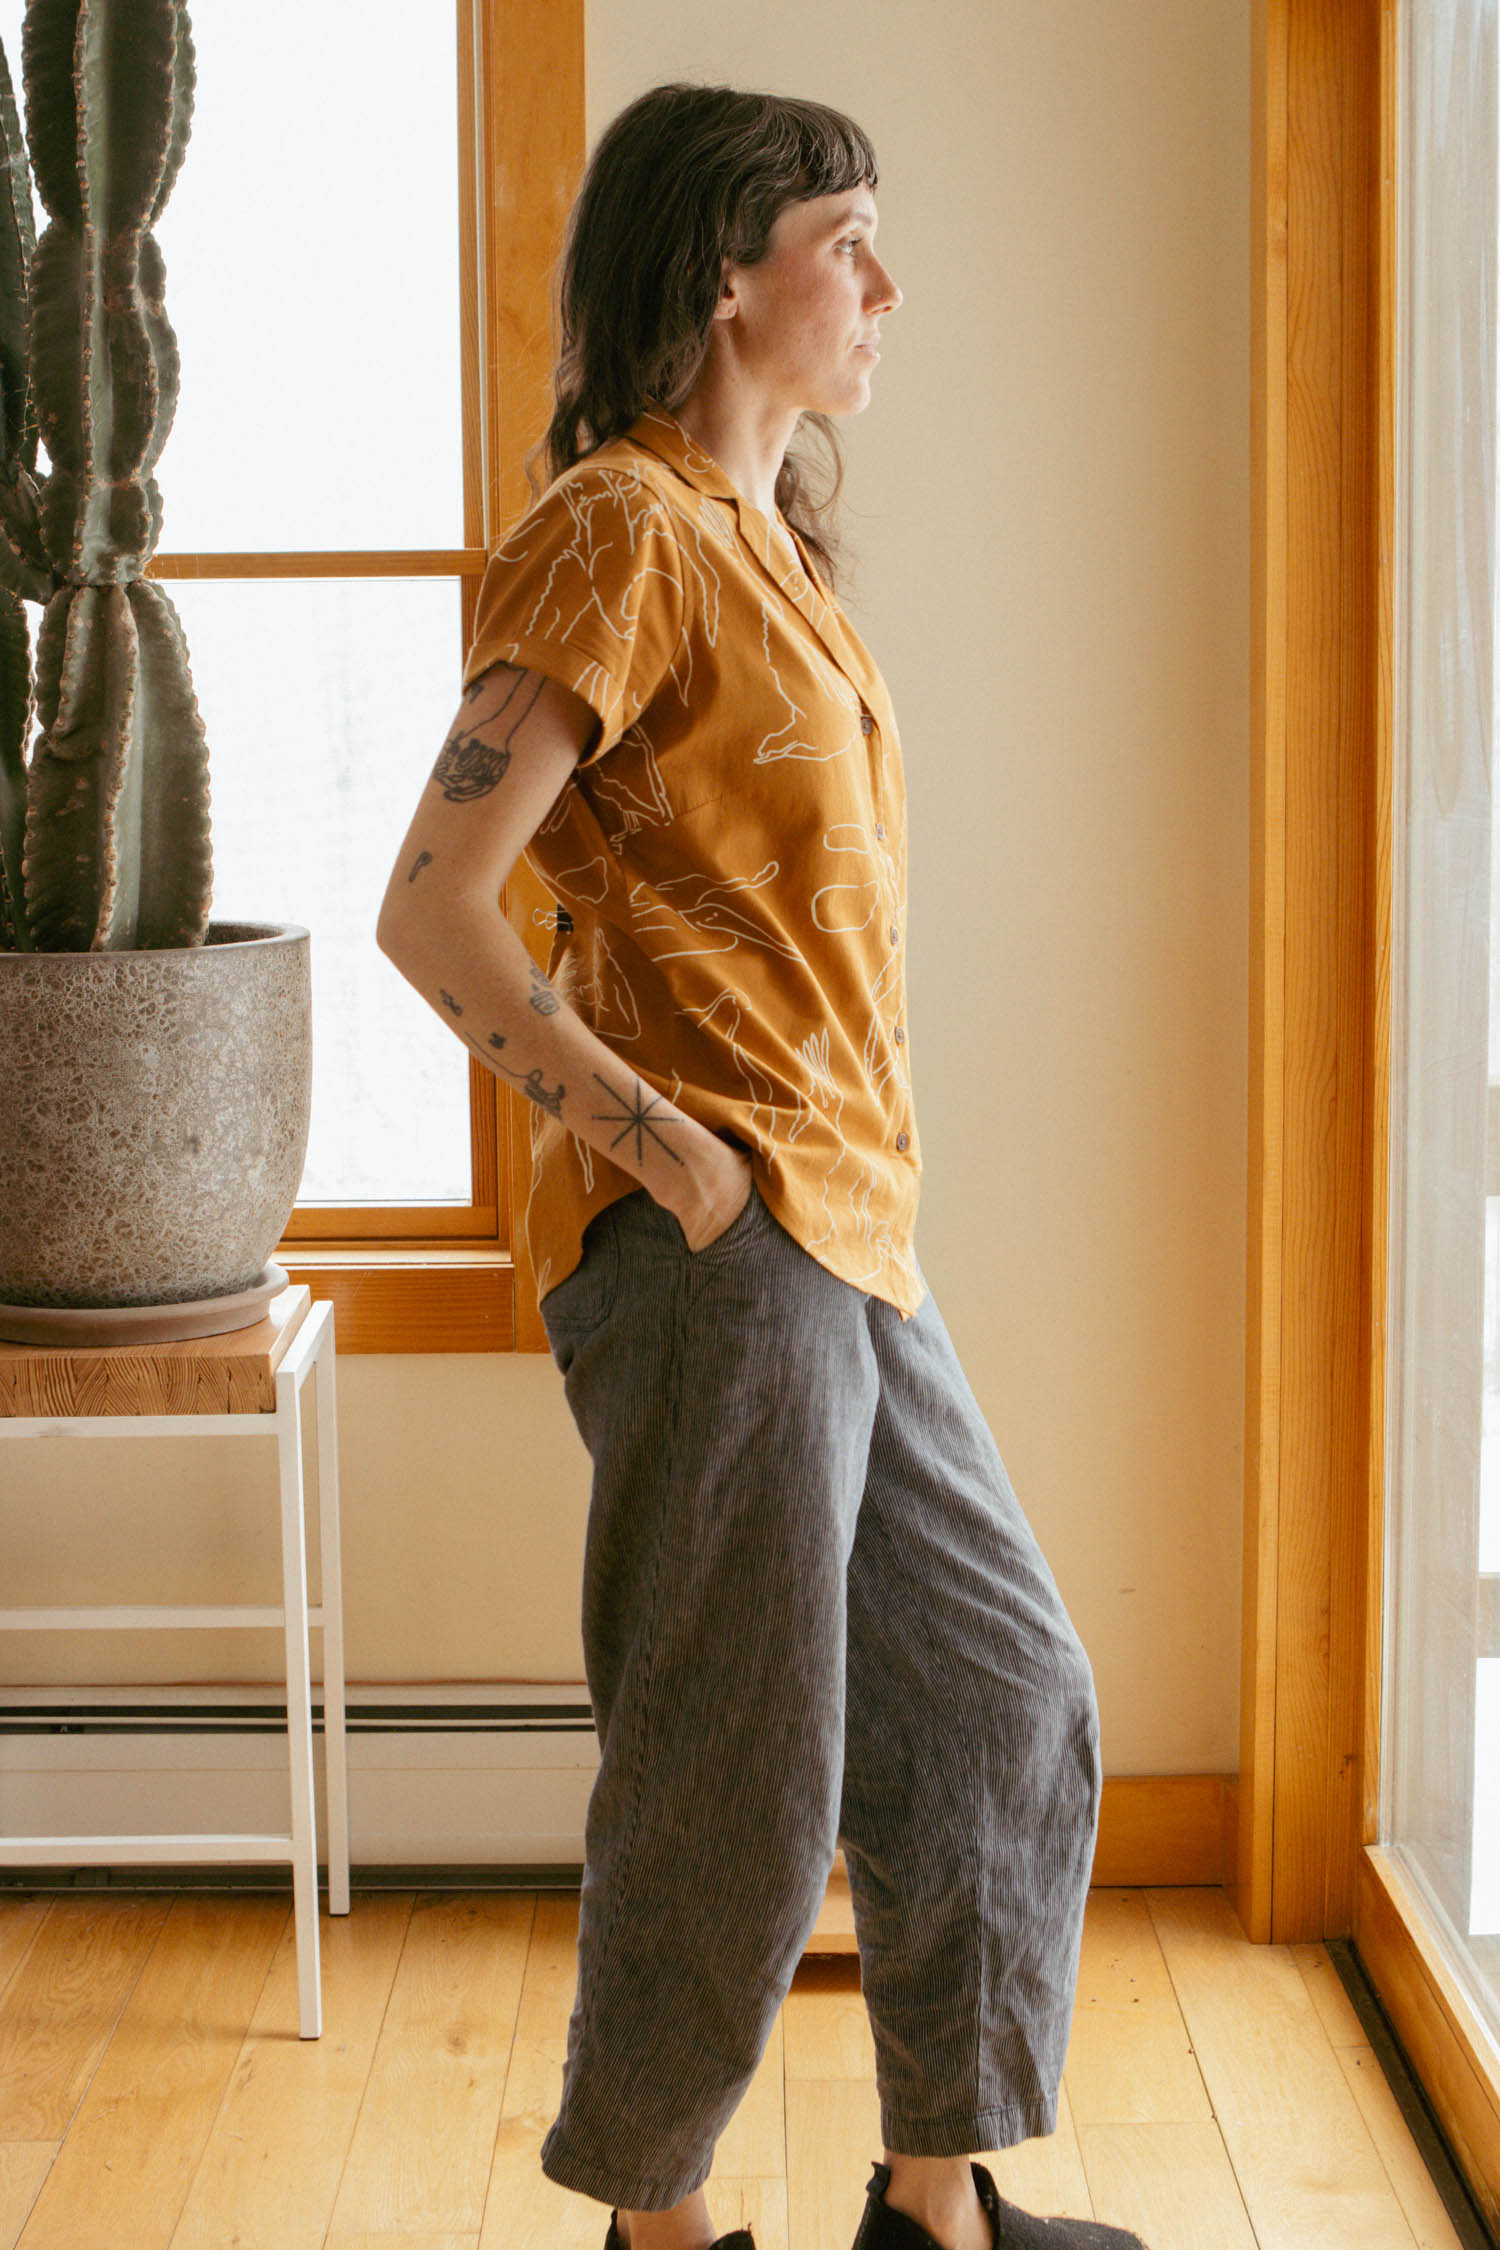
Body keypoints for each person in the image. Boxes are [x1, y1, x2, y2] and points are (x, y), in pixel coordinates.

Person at [377, 81, 1145, 2250]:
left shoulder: (765, 542)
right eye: (849, 242)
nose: (887, 288)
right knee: (737, 1775)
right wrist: (668, 1157)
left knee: (1003, 1692)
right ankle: (663, 2227)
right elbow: (432, 910)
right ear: (728, 273)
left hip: (847, 1235)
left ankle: (934, 2204)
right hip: (724, 1250)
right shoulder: (617, 528)